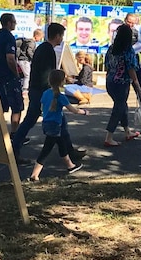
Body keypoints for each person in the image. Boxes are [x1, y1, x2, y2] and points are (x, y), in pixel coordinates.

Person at [11, 22, 85, 164]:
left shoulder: (43, 48)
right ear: (57, 36)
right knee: (33, 121)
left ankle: (70, 152)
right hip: (42, 91)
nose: (62, 39)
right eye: (61, 36)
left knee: (59, 122)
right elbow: (46, 75)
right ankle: (14, 150)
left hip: (37, 89)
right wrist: (53, 91)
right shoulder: (48, 50)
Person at [28, 69, 88, 181]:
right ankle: (34, 174)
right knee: (46, 149)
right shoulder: (61, 97)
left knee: (61, 144)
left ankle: (70, 166)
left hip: (46, 124)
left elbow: (41, 108)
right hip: (55, 125)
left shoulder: (45, 93)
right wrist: (84, 112)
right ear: (62, 82)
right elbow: (73, 110)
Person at [103, 23, 141, 147]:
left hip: (110, 81)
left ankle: (127, 131)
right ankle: (109, 137)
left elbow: (107, 64)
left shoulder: (112, 48)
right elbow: (131, 68)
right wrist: (136, 83)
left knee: (122, 106)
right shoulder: (128, 50)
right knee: (119, 108)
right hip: (122, 83)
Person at [0, 13, 24, 133]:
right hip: (8, 77)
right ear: (9, 23)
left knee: (0, 107)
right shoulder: (9, 37)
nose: (15, 24)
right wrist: (16, 74)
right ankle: (14, 134)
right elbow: (10, 58)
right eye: (14, 22)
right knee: (17, 107)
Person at [125, 12, 141, 106]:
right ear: (125, 20)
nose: (130, 25)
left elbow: (140, 44)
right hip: (123, 64)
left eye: (133, 23)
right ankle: (121, 117)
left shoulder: (135, 32)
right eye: (129, 22)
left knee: (140, 88)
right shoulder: (119, 31)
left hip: (134, 63)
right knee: (123, 92)